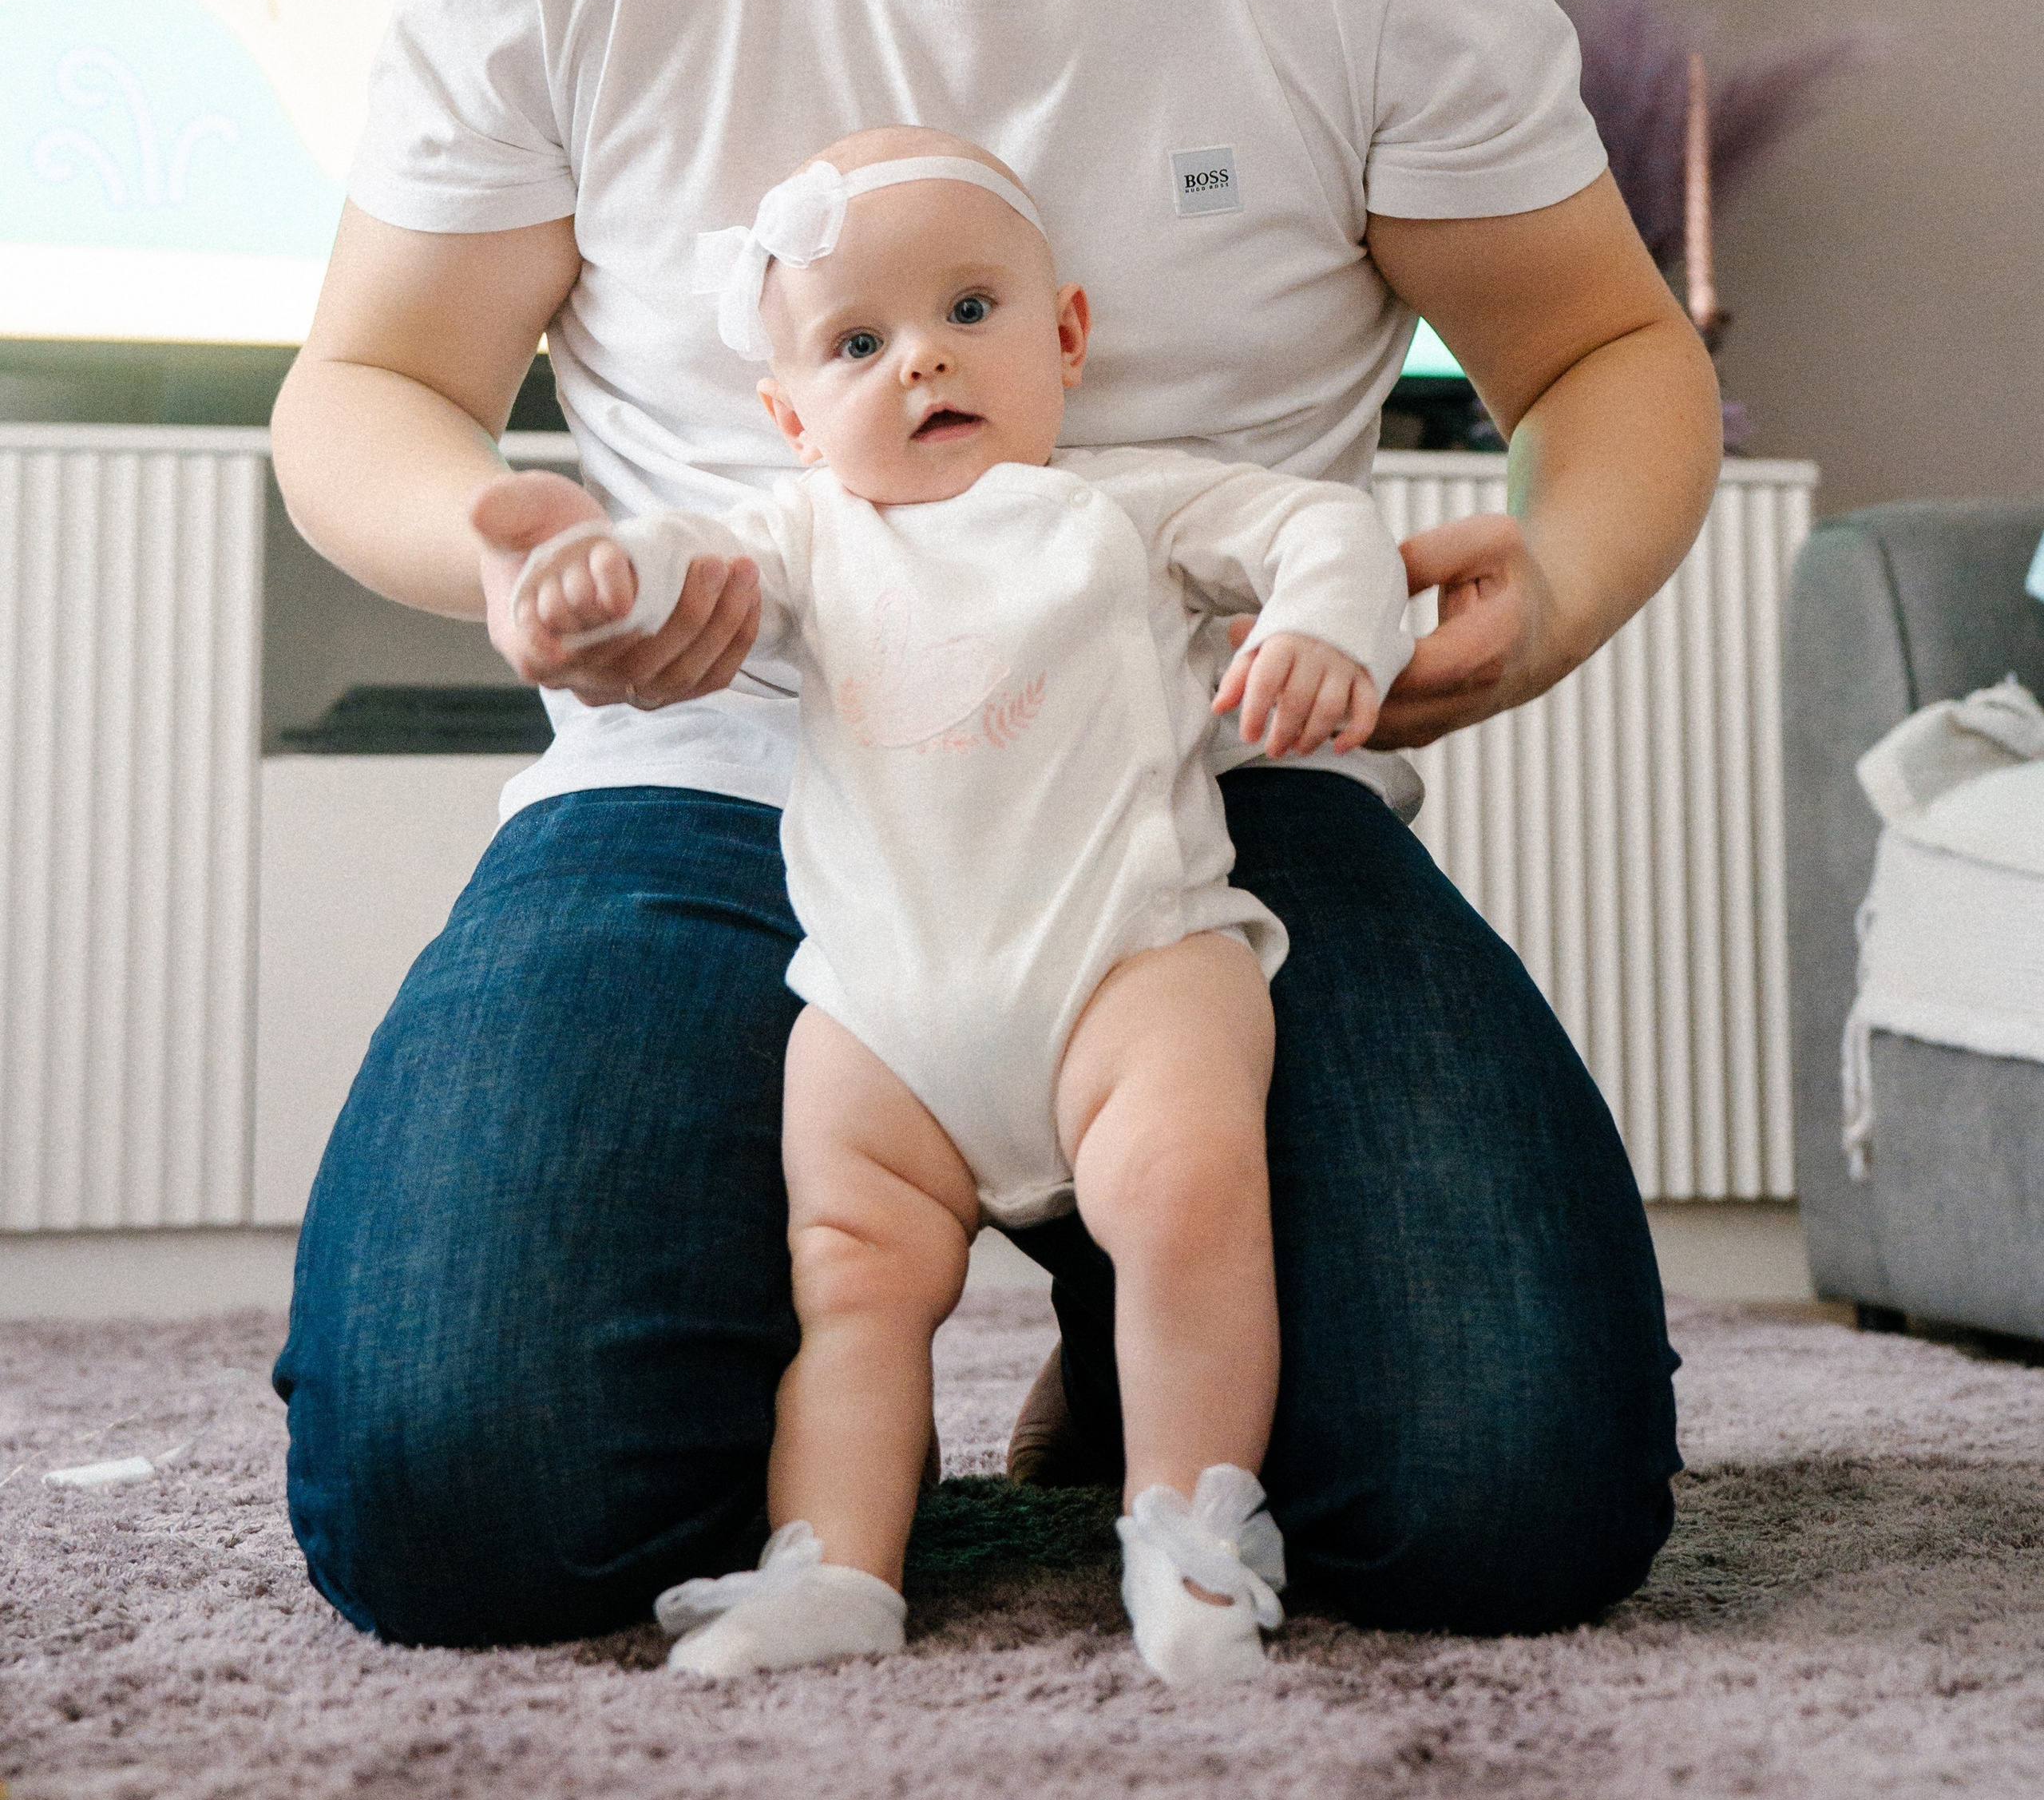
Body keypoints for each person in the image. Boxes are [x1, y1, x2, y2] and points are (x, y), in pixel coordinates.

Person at [270, 0, 1721, 1653]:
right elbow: (371, 386)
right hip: (719, 778)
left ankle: (1122, 1294)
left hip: (1207, 806)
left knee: (1512, 1501)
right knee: (459, 1501)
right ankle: (890, 1296)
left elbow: (1606, 349)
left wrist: (1566, 576)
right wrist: (503, 551)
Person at [493, 125, 1412, 1684]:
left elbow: (1315, 523)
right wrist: (604, 575)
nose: (921, 358)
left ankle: (1187, 1529)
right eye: (857, 343)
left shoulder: (1122, 508)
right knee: (848, 1275)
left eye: (969, 311)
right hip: (884, 1011)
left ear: (1066, 335)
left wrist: (1327, 622)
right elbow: (689, 565)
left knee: (1187, 1193)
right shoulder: (804, 533)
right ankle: (836, 1566)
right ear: (790, 417)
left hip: (1122, 961)